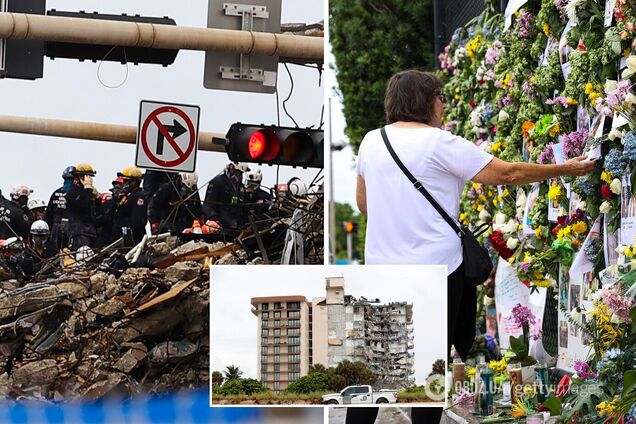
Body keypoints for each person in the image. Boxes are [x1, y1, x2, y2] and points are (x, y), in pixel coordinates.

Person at [355, 69, 596, 362]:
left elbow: (364, 205)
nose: (443, 105)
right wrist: (564, 168)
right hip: (436, 270)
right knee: (429, 361)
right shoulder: (438, 142)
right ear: (426, 101)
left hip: (382, 272)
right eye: (440, 98)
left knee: (377, 363)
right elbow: (508, 173)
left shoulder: (371, 142)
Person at [203, 162, 249, 229]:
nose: (241, 177)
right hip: (220, 226)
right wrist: (214, 220)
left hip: (237, 228)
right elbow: (208, 206)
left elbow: (243, 208)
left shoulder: (240, 187)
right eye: (239, 173)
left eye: (242, 174)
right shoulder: (217, 182)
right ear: (232, 170)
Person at [65, 163, 99, 250]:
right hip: (78, 232)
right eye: (87, 177)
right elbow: (83, 204)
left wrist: (97, 198)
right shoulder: (72, 192)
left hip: (91, 231)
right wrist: (87, 189)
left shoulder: (88, 192)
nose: (89, 180)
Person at [112, 166, 147, 245]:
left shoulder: (139, 196)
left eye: (126, 181)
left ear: (134, 182)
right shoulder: (127, 196)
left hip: (133, 239)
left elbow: (138, 221)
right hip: (122, 237)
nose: (124, 184)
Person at [45, 166, 75, 253]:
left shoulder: (55, 193)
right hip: (71, 231)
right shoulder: (76, 194)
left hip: (55, 229)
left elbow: (48, 215)